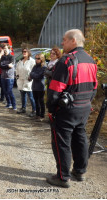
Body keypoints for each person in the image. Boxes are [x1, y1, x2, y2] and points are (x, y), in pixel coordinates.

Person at [46, 29, 98, 188]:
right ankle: (80, 171)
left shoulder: (66, 61)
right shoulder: (91, 60)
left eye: (64, 40)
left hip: (67, 109)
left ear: (73, 41)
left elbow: (55, 89)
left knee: (62, 142)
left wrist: (51, 109)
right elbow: (94, 87)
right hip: (84, 108)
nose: (62, 43)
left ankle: (63, 177)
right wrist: (87, 104)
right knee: (80, 138)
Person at [16, 48, 36, 115]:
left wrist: (31, 77)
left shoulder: (32, 61)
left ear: (28, 53)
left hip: (28, 80)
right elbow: (17, 69)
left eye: (25, 52)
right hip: (21, 80)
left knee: (30, 96)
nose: (24, 53)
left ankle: (34, 110)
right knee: (23, 95)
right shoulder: (20, 61)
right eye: (23, 52)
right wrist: (17, 76)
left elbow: (34, 70)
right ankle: (23, 108)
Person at [29, 53, 47, 121]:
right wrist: (33, 75)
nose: (36, 60)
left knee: (41, 101)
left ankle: (42, 116)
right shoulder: (35, 66)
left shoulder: (44, 67)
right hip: (34, 86)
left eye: (38, 58)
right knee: (36, 101)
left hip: (40, 87)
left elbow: (39, 76)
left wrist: (33, 75)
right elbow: (31, 74)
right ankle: (37, 114)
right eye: (36, 58)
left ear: (42, 59)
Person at [0, 43, 16, 110]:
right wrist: (7, 66)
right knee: (5, 91)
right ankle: (9, 103)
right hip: (3, 76)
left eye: (6, 48)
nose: (5, 50)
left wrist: (5, 66)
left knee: (9, 91)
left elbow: (11, 65)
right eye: (4, 48)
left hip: (10, 77)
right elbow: (1, 66)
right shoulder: (2, 57)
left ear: (9, 49)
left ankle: (14, 105)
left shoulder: (12, 57)